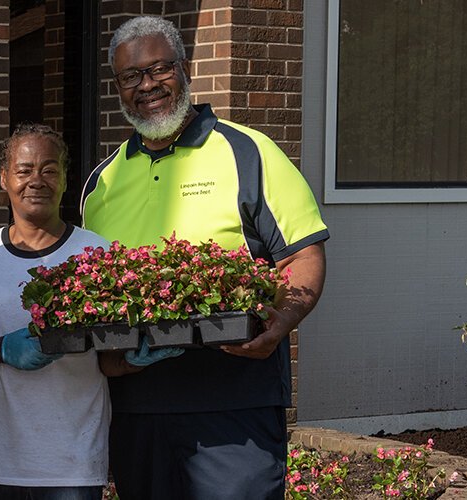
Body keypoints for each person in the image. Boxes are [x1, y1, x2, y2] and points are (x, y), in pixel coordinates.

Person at [80, 16, 330, 499]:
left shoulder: (249, 153)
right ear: (118, 88)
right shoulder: (101, 183)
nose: (147, 86)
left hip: (235, 400)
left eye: (159, 69)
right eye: (131, 77)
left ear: (185, 68)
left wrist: (280, 321)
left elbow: (302, 253)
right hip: (136, 407)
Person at [0, 124, 111, 500]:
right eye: (24, 170)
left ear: (65, 179)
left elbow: (111, 360)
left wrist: (138, 354)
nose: (36, 180)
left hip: (70, 463)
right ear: (4, 179)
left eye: (49, 169)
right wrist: (1, 350)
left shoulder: (96, 254)